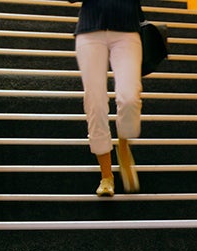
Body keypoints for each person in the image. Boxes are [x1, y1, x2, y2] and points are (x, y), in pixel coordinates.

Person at [69, 0, 143, 197]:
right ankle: (106, 175)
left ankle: (124, 146)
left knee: (129, 97)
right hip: (90, 31)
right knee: (95, 102)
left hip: (127, 31)